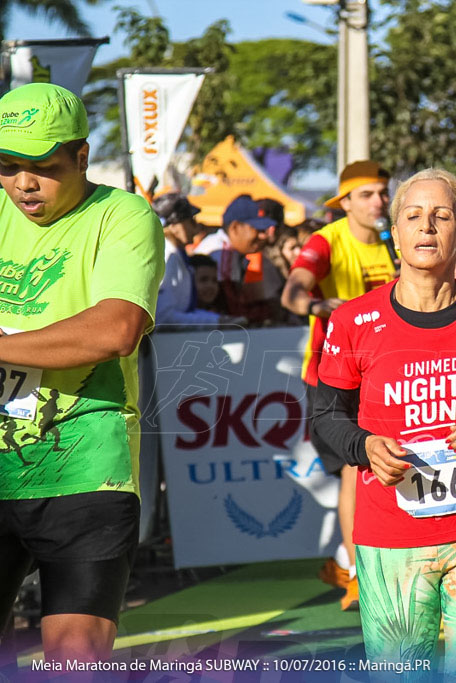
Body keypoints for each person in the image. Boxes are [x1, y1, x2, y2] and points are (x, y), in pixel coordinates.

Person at [311, 168, 456, 676]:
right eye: (413, 217)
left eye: (442, 217)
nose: (427, 228)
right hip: (391, 539)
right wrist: (365, 446)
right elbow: (326, 418)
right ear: (393, 234)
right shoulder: (353, 321)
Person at [0, 83, 164, 661]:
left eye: (42, 167)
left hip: (85, 467)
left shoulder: (122, 215)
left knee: (76, 667)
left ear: (81, 156)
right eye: (7, 166)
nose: (24, 183)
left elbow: (114, 329)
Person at [280, 160, 396, 610]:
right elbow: (291, 296)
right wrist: (323, 304)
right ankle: (359, 576)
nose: (378, 202)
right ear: (343, 202)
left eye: (383, 193)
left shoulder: (393, 244)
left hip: (388, 376)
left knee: (386, 471)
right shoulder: (326, 241)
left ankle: (344, 561)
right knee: (357, 468)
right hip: (335, 377)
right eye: (366, 194)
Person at [153, 193, 242, 327]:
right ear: (173, 226)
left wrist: (219, 319)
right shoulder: (167, 257)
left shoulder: (176, 256)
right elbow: (164, 317)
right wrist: (215, 321)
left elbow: (185, 311)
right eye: (191, 221)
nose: (196, 228)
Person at [193, 195, 275, 324]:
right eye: (256, 229)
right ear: (235, 227)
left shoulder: (230, 249)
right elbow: (229, 303)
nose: (262, 236)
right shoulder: (222, 251)